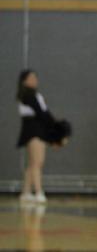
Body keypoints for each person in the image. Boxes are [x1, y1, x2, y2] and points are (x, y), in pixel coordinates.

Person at [17, 70, 71, 204]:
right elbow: (42, 113)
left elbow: (45, 112)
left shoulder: (35, 95)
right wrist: (57, 130)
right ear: (24, 81)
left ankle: (26, 192)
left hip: (38, 128)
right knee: (37, 162)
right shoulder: (27, 95)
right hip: (33, 129)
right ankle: (39, 191)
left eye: (35, 77)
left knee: (33, 162)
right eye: (31, 78)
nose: (34, 80)